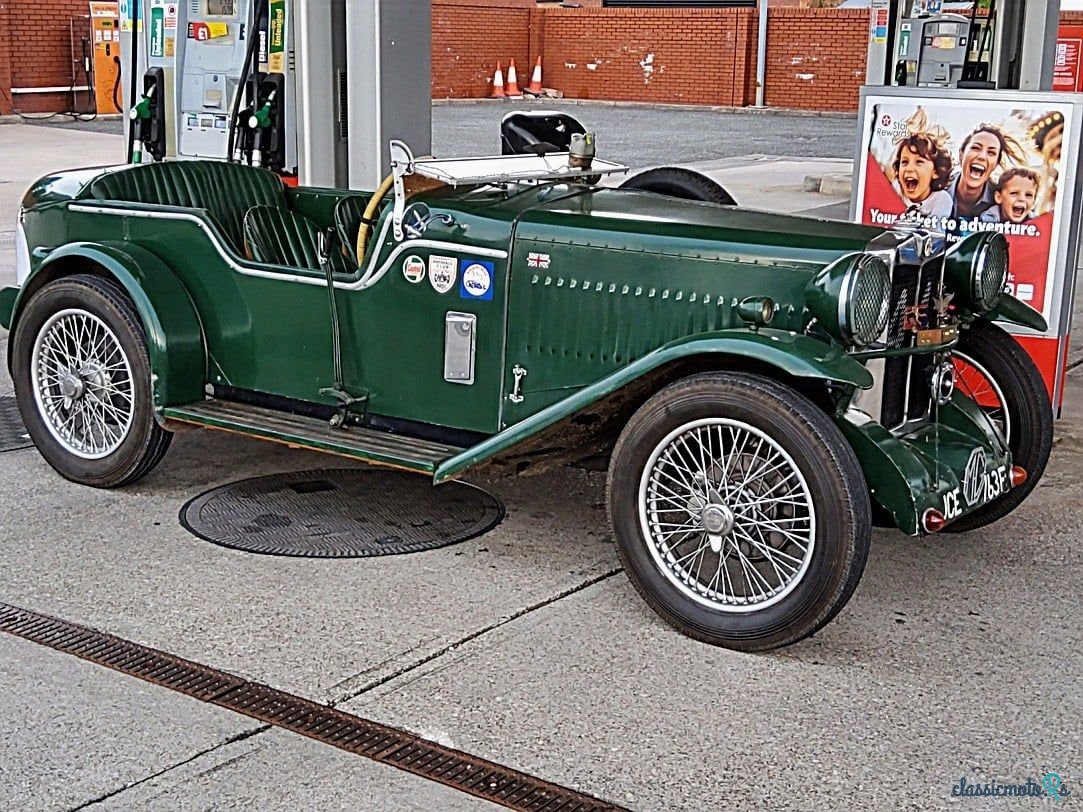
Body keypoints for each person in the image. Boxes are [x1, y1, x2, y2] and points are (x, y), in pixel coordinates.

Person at [949, 123, 1028, 220]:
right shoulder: (937, 188)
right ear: (961, 154)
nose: (982, 156)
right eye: (976, 148)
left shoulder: (1001, 200)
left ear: (996, 164)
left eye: (991, 153)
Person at [891, 133, 953, 217]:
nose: (909, 169)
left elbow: (934, 229)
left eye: (919, 162)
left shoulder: (941, 200)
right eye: (904, 162)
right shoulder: (895, 190)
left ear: (935, 172)